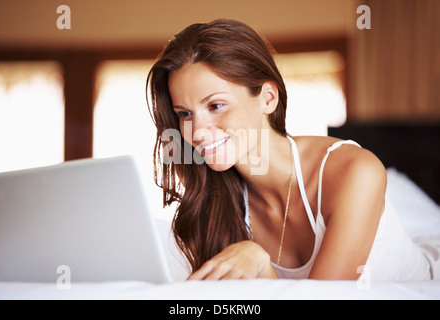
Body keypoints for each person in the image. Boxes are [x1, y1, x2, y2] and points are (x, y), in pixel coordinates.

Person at [147, 19, 438, 281]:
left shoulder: (355, 172)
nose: (196, 131)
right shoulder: (214, 203)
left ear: (268, 98)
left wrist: (261, 265)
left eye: (215, 105)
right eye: (184, 114)